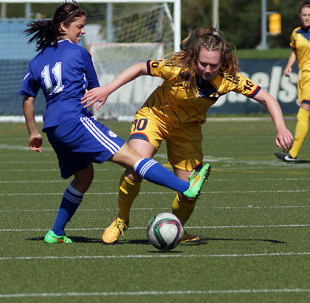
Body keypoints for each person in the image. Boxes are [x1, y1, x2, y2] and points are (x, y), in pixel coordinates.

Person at [19, 0, 211, 244]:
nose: (83, 31)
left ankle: (56, 232)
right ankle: (186, 188)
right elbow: (94, 89)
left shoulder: (37, 60)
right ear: (63, 27)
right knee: (135, 160)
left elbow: (28, 99)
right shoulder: (79, 53)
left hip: (53, 128)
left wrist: (33, 132)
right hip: (75, 121)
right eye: (79, 26)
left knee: (84, 177)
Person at [81, 27, 294, 245]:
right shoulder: (175, 67)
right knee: (135, 169)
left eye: (214, 65)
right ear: (195, 57)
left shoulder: (229, 79)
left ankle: (176, 229)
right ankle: (121, 219)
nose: (208, 69)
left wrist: (281, 127)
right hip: (155, 117)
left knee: (189, 192)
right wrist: (107, 89)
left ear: (223, 61)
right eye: (203, 64)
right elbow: (139, 68)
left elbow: (267, 98)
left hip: (188, 130)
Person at [275, 0, 310, 162]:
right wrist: (289, 66)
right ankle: (292, 154)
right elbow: (294, 51)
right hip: (303, 77)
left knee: (303, 112)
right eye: (304, 15)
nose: (307, 18)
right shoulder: (296, 33)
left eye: (309, 15)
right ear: (299, 16)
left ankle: (293, 154)